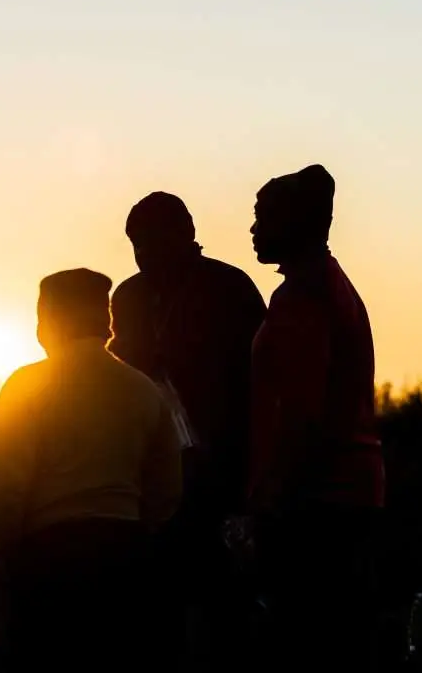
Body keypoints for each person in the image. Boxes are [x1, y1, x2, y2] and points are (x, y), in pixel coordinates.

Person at [0, 268, 182, 670]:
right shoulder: (145, 390)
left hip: (49, 559)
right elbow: (167, 489)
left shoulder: (25, 386)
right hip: (127, 558)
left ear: (51, 320)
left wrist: (0, 550)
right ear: (103, 322)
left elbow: (3, 485)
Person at [108, 191, 266, 669]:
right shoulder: (128, 296)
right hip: (151, 482)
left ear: (186, 235)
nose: (143, 254)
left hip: (221, 477)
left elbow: (259, 386)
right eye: (135, 244)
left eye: (152, 241)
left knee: (223, 616)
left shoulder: (230, 289)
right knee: (157, 618)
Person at [246, 163, 385, 673]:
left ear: (296, 221)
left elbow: (301, 413)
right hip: (340, 494)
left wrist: (271, 498)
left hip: (317, 502)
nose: (253, 230)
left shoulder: (303, 296)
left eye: (262, 217)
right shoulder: (328, 285)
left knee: (305, 648)